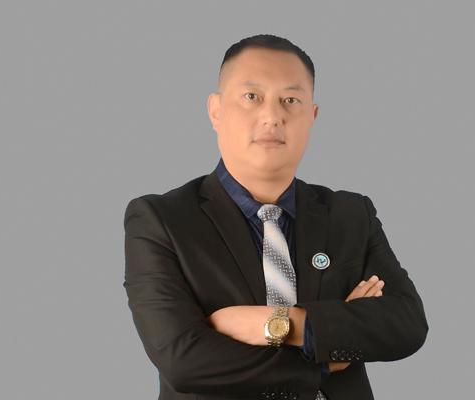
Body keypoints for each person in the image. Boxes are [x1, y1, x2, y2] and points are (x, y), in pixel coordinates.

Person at [123, 33, 428, 400]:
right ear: (216, 110)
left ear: (312, 116)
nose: (272, 115)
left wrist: (285, 324)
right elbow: (184, 360)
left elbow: (406, 324)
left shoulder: (350, 214)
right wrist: (325, 356)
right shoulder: (161, 220)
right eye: (252, 97)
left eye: (290, 100)